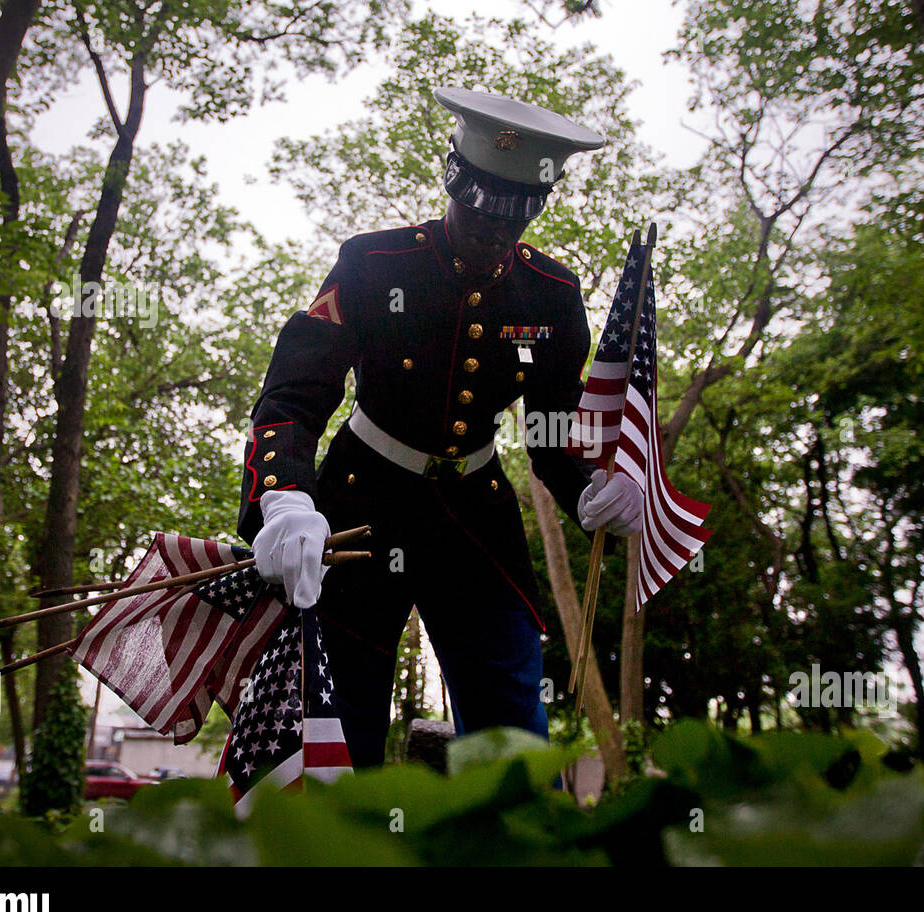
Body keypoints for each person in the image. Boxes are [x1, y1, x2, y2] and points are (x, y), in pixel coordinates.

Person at [238, 87, 643, 768]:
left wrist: (587, 489)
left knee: (511, 709)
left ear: (534, 211)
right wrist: (285, 498)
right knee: (339, 711)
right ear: (451, 184)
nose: (490, 239)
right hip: (361, 503)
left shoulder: (551, 293)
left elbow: (549, 425)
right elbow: (293, 396)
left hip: (475, 512)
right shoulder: (372, 264)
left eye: (507, 227)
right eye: (477, 218)